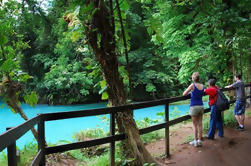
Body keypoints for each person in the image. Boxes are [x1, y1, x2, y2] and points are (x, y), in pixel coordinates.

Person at [183, 72, 204, 147]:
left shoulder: (192, 85)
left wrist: (191, 93)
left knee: (194, 125)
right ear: (199, 78)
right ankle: (200, 140)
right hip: (201, 106)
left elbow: (184, 94)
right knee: (200, 124)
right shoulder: (202, 85)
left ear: (193, 78)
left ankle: (195, 141)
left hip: (194, 106)